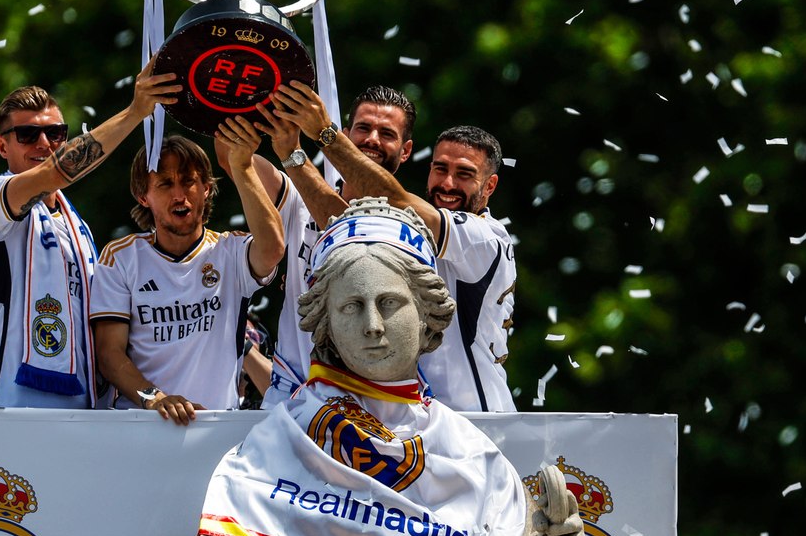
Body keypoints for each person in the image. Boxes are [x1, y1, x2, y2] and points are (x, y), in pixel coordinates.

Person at [176, 199, 600, 536]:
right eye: (351, 306)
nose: (373, 326)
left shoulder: (477, 458)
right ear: (326, 324)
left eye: (390, 303)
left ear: (426, 314)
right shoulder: (278, 443)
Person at [267, 81, 518, 411]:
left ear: (490, 186)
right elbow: (343, 222)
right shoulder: (415, 226)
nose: (447, 184)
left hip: (474, 417)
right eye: (440, 169)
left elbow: (394, 199)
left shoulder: (484, 237)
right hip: (420, 417)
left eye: (465, 174)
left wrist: (325, 134)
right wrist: (290, 154)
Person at [0, 57, 180, 409]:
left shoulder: (76, 225)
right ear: (2, 146)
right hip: (9, 410)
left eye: (56, 134)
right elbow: (56, 172)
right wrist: (135, 112)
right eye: (27, 134)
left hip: (83, 414)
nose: (44, 143)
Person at [216, 85, 418, 408]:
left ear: (406, 151)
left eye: (387, 133)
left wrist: (294, 153)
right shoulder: (298, 199)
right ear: (346, 134)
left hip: (373, 407)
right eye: (363, 128)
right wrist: (247, 89)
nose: (372, 139)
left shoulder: (410, 221)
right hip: (293, 397)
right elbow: (232, 157)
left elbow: (349, 233)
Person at [91, 120, 285, 425]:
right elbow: (109, 354)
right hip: (141, 427)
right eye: (165, 184)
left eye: (188, 181)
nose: (179, 195)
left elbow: (273, 249)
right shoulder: (121, 257)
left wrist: (242, 166)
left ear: (206, 188)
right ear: (143, 195)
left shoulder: (230, 251)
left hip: (216, 429)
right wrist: (155, 399)